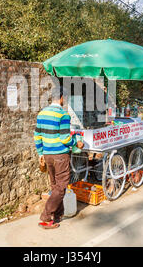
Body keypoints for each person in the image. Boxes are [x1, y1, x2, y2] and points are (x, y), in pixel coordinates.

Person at [33, 87, 84, 229]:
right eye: (65, 99)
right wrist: (76, 142)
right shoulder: (63, 115)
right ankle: (46, 217)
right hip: (60, 156)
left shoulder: (42, 113)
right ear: (61, 98)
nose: (65, 101)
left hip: (48, 155)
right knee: (61, 187)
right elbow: (65, 139)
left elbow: (37, 136)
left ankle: (57, 215)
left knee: (55, 186)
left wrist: (40, 153)